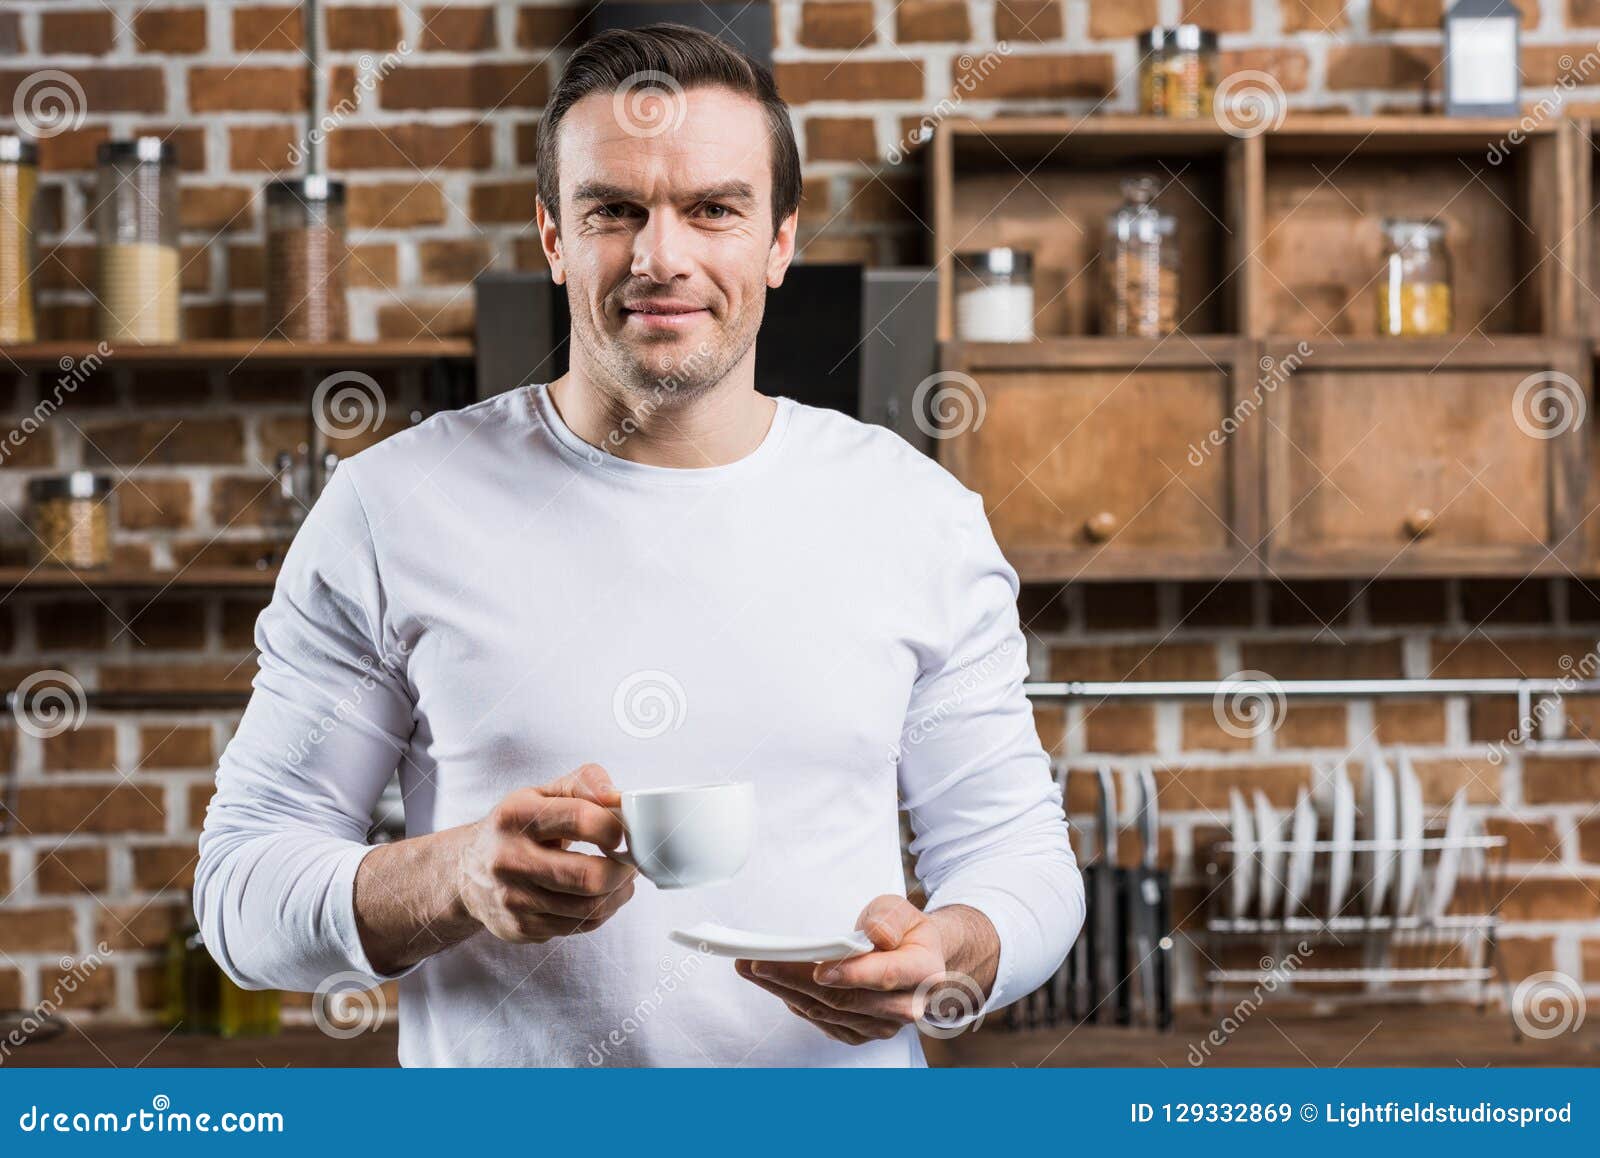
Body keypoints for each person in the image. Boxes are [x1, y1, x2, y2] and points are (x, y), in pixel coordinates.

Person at [196, 22, 1083, 1067]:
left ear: (780, 240)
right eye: (614, 210)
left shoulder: (916, 516)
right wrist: (453, 877)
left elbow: (1015, 857)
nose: (662, 258)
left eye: (713, 209)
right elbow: (240, 895)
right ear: (554, 238)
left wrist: (952, 954)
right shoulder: (392, 507)